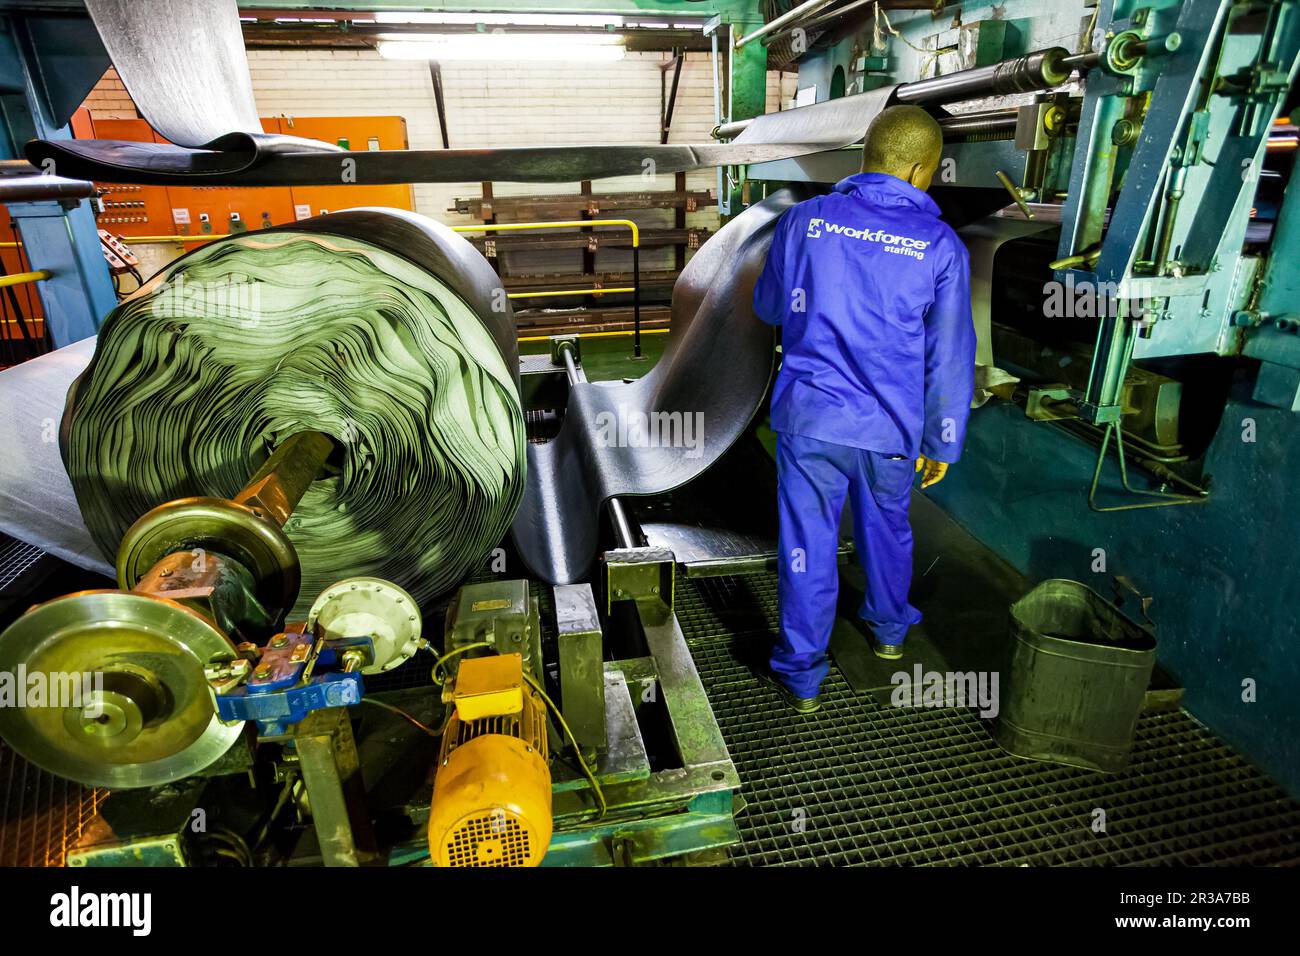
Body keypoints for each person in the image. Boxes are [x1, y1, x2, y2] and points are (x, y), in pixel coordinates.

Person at [751, 104, 975, 714]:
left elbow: (769, 307)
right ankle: (889, 632)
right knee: (887, 530)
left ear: (865, 157)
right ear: (922, 171)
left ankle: (802, 675)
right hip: (890, 430)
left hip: (810, 420)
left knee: (808, 542)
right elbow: (950, 355)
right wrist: (942, 441)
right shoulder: (941, 246)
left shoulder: (803, 221)